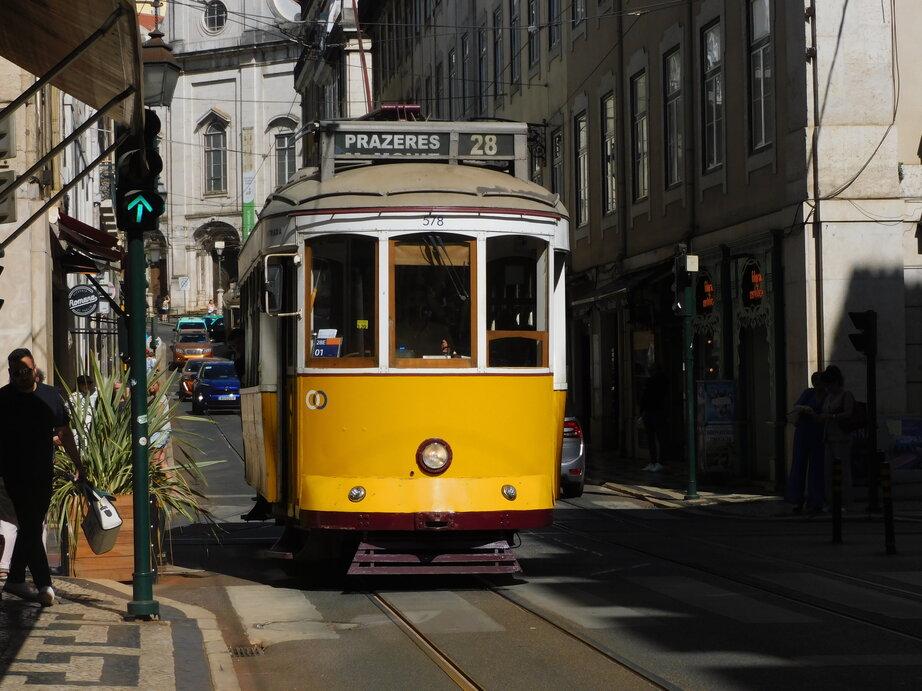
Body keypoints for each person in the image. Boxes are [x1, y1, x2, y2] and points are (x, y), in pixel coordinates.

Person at [0, 349, 83, 606]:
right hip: (13, 474)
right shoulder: (3, 398)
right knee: (30, 524)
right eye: (16, 373)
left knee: (32, 526)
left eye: (25, 371)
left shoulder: (50, 395)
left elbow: (64, 432)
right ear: (10, 373)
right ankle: (44, 584)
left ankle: (15, 579)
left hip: (43, 472)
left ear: (34, 368)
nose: (21, 377)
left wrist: (78, 463)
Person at [784, 371, 826, 513]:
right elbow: (797, 406)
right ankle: (797, 499)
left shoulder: (827, 396)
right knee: (799, 464)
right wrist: (805, 408)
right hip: (804, 431)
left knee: (816, 467)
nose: (818, 385)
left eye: (820, 382)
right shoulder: (808, 393)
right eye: (816, 382)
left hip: (818, 433)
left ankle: (815, 501)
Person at [819, 365, 856, 510]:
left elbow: (848, 413)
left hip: (842, 438)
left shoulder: (846, 395)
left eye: (830, 384)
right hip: (828, 438)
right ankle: (830, 502)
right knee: (827, 472)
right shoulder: (828, 397)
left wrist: (831, 416)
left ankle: (846, 502)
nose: (828, 387)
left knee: (844, 471)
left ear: (837, 382)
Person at [640, 365, 669, 472]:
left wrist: (642, 412)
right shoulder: (657, 382)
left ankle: (657, 462)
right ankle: (656, 462)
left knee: (655, 439)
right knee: (657, 439)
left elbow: (644, 398)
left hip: (654, 412)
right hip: (654, 412)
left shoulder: (652, 382)